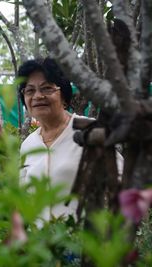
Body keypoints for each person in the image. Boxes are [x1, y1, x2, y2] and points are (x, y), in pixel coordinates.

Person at [18, 58, 122, 222]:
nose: (38, 96)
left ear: (64, 97)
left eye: (46, 88)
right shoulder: (28, 145)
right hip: (39, 243)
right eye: (29, 91)